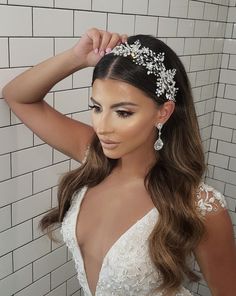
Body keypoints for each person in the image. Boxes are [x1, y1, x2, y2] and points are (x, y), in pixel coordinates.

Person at [3, 28, 236, 296]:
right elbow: (18, 96)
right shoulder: (94, 154)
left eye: (123, 112)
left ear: (164, 112)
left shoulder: (202, 205)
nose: (103, 127)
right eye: (96, 107)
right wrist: (76, 57)